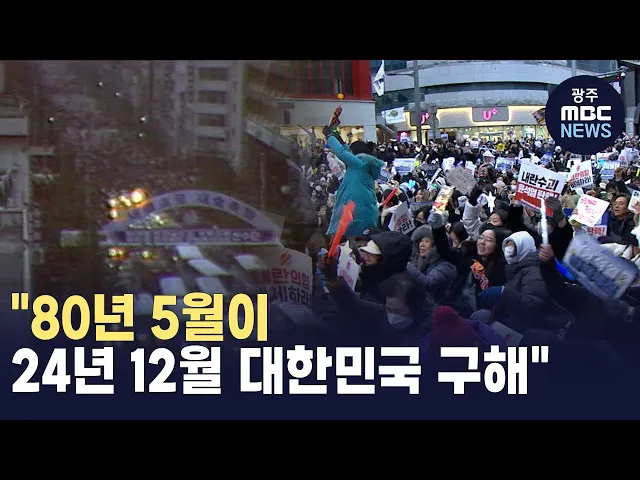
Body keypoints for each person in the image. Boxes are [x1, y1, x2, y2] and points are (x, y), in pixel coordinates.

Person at [323, 126, 385, 239]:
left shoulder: (359, 163)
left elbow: (342, 153)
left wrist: (330, 136)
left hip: (356, 211)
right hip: (365, 207)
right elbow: (347, 152)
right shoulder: (364, 162)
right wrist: (338, 138)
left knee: (354, 238)